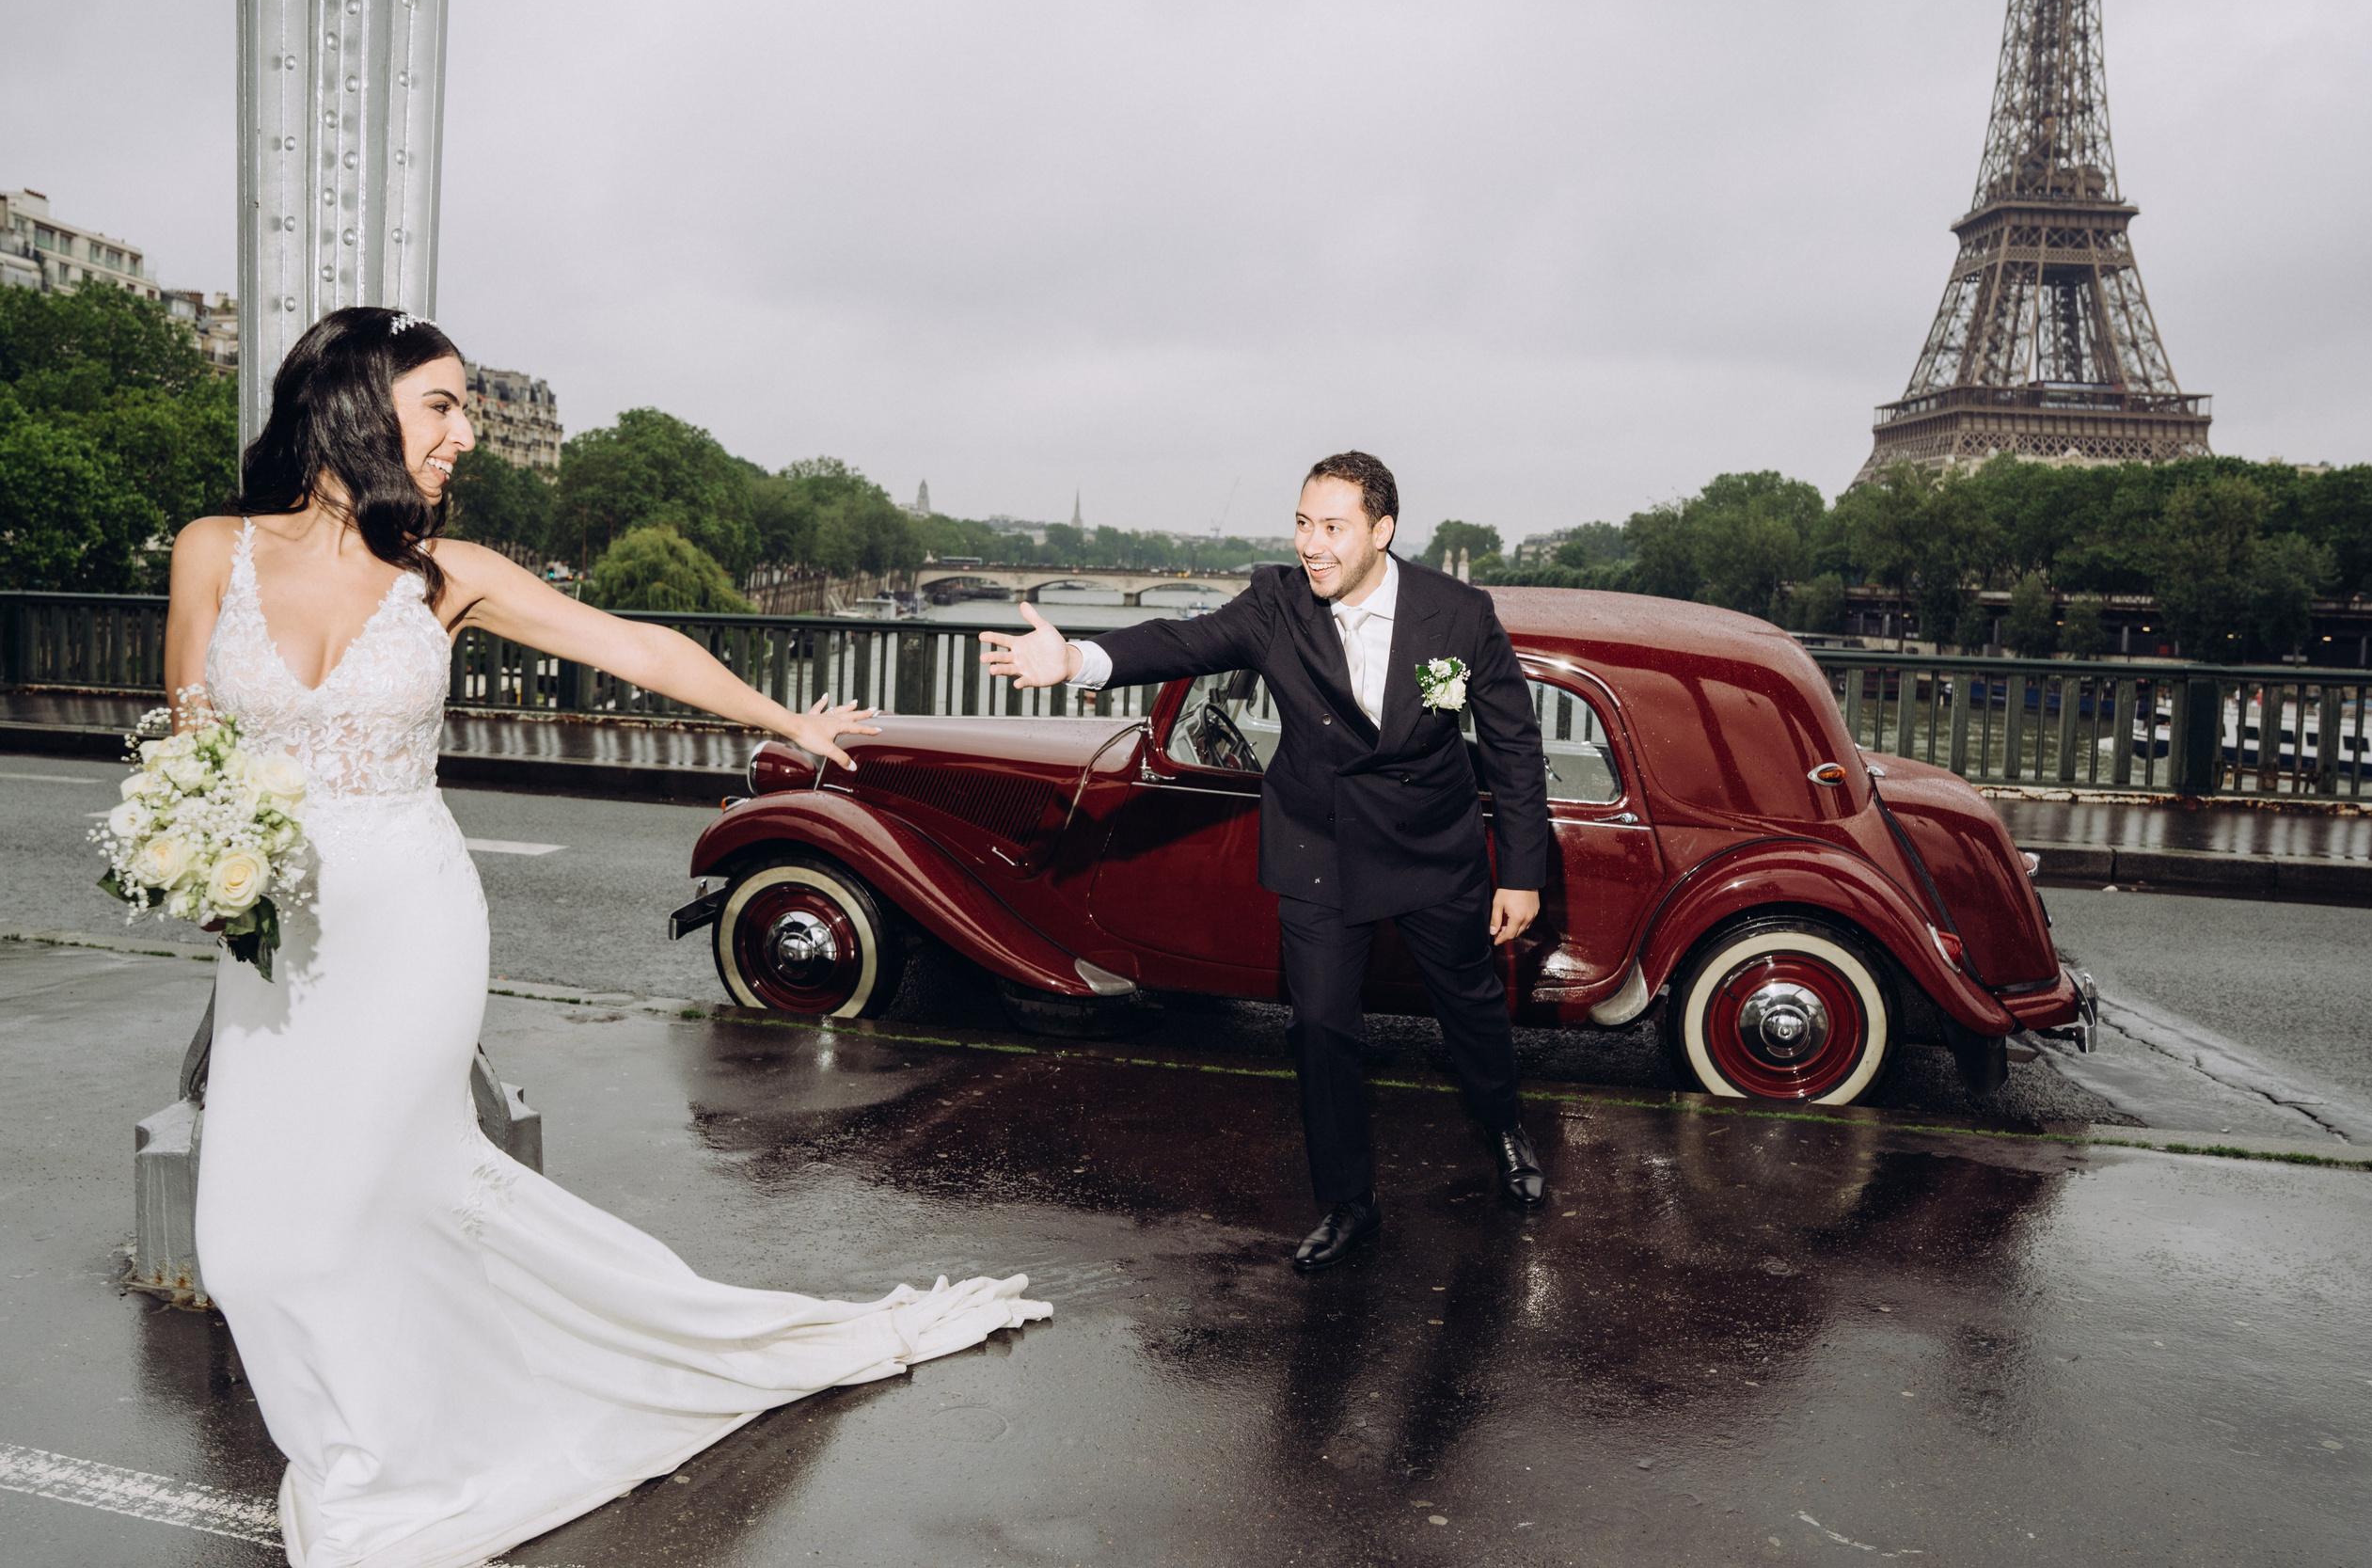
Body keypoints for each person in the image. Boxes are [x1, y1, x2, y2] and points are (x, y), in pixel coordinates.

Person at [166, 307, 1049, 1568]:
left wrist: (785, 719)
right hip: (269, 936)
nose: (464, 433)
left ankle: (379, 1466)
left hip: (410, 922)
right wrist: (190, 855)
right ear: (356, 405)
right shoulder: (211, 549)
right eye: (442, 405)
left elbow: (632, 643)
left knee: (348, 1206)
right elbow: (186, 736)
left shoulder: (443, 574)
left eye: (470, 407)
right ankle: (389, 1436)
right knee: (249, 1239)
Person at [980, 451, 1551, 1274]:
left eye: (1332, 527)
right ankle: (1349, 1202)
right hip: (1319, 844)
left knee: (1469, 1007)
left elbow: (1511, 742)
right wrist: (1077, 661)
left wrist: (1522, 871)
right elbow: (1182, 639)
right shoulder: (1277, 603)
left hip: (1432, 846)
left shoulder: (1457, 614)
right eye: (1301, 523)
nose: (1311, 544)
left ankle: (1503, 1126)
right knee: (1320, 1026)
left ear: (1382, 532)